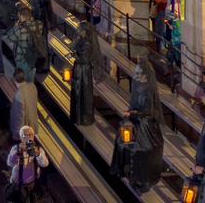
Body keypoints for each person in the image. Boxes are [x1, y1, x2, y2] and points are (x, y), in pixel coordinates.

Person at [110, 58, 164, 194]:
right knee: (121, 141)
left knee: (141, 149)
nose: (136, 76)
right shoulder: (137, 85)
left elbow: (149, 112)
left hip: (145, 125)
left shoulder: (149, 90)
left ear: (146, 75)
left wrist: (133, 114)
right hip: (135, 120)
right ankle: (128, 173)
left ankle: (141, 181)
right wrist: (131, 114)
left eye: (139, 74)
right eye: (136, 73)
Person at [7, 125, 49, 203]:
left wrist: (38, 154)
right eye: (24, 135)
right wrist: (18, 152)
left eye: (30, 135)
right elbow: (10, 163)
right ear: (20, 138)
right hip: (17, 183)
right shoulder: (16, 148)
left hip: (31, 184)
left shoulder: (38, 149)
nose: (27, 137)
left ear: (33, 136)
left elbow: (45, 164)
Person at [70, 20, 98, 125]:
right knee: (78, 93)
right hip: (79, 69)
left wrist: (75, 56)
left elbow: (85, 59)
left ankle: (85, 118)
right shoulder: (80, 40)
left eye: (79, 29)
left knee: (84, 94)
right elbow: (73, 47)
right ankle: (78, 117)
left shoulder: (87, 43)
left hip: (84, 71)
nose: (78, 31)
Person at [9, 69, 38, 141]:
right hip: (34, 126)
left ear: (14, 80)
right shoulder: (33, 86)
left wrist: (17, 135)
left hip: (25, 132)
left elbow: (19, 118)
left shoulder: (18, 95)